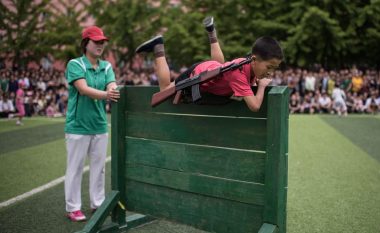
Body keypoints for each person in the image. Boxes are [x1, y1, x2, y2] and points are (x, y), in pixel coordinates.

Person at [135, 17, 283, 112]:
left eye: (274, 69)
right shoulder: (239, 73)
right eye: (269, 67)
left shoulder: (245, 63)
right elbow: (255, 106)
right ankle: (158, 47)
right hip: (197, 74)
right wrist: (262, 86)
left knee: (220, 65)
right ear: (255, 59)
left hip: (211, 68)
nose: (270, 72)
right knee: (164, 90)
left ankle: (212, 32)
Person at [64, 25, 120, 222]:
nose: (100, 45)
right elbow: (83, 89)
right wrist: (108, 94)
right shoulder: (75, 64)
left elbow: (112, 84)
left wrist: (112, 89)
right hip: (78, 126)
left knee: (99, 168)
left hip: (99, 125)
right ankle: (73, 208)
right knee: (75, 167)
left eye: (102, 42)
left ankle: (98, 204)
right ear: (85, 43)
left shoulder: (106, 66)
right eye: (96, 41)